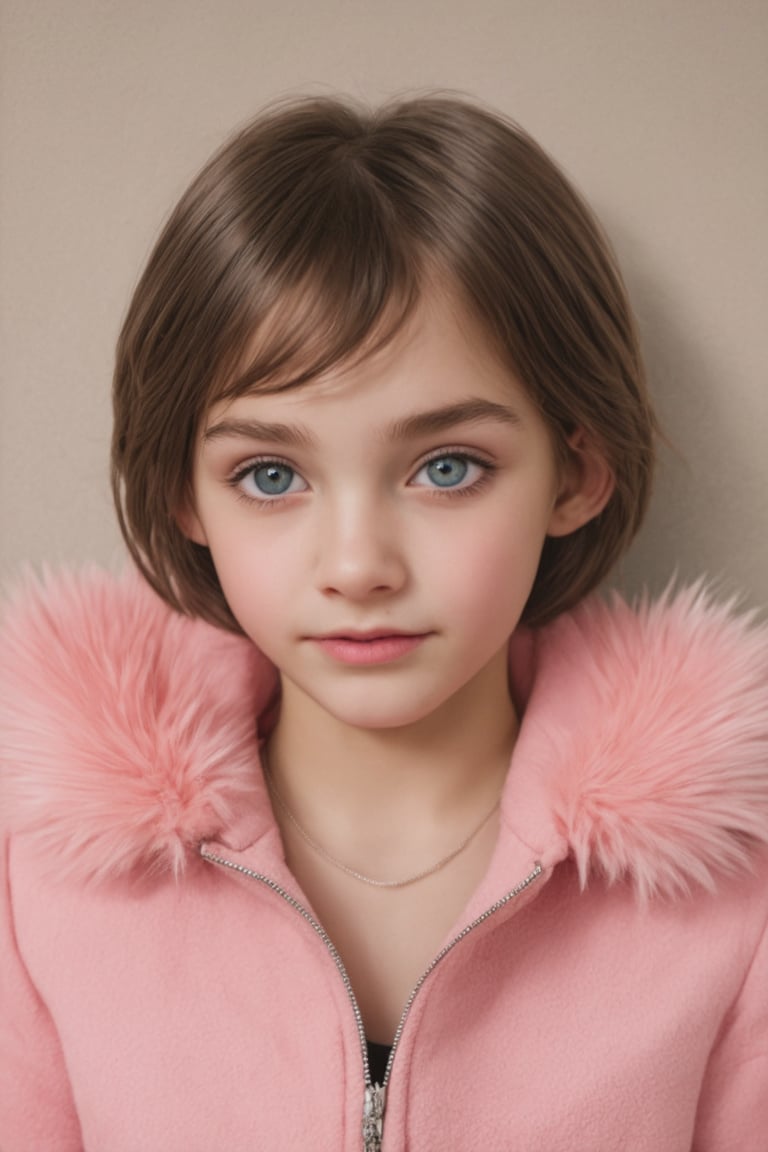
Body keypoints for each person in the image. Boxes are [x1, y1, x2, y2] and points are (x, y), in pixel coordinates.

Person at [1, 95, 766, 1152]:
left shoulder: (735, 896)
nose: (357, 565)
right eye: (271, 475)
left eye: (448, 468)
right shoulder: (38, 882)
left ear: (577, 474)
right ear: (186, 496)